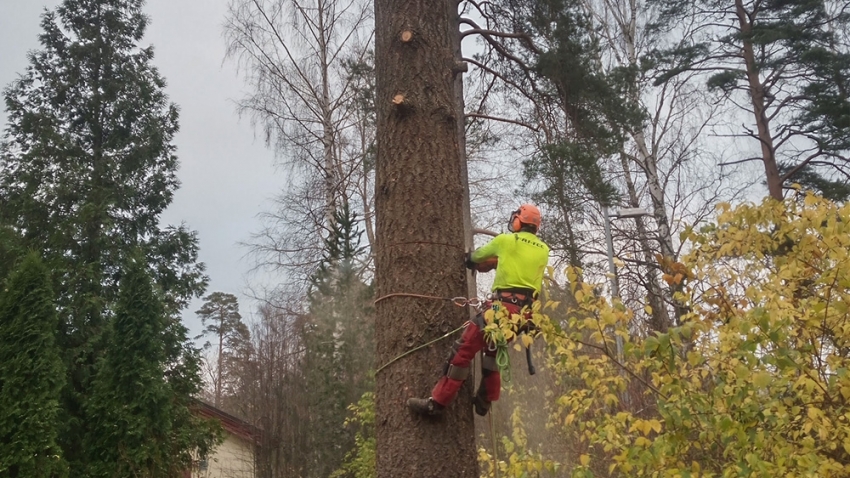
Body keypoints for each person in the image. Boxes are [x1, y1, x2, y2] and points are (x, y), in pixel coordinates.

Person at [407, 204, 550, 417]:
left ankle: (437, 403)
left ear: (520, 221)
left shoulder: (505, 241)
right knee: (492, 351)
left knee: (463, 350)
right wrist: (497, 264)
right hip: (524, 315)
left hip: (502, 308)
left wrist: (471, 260)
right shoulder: (543, 250)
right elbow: (522, 270)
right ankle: (485, 400)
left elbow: (477, 257)